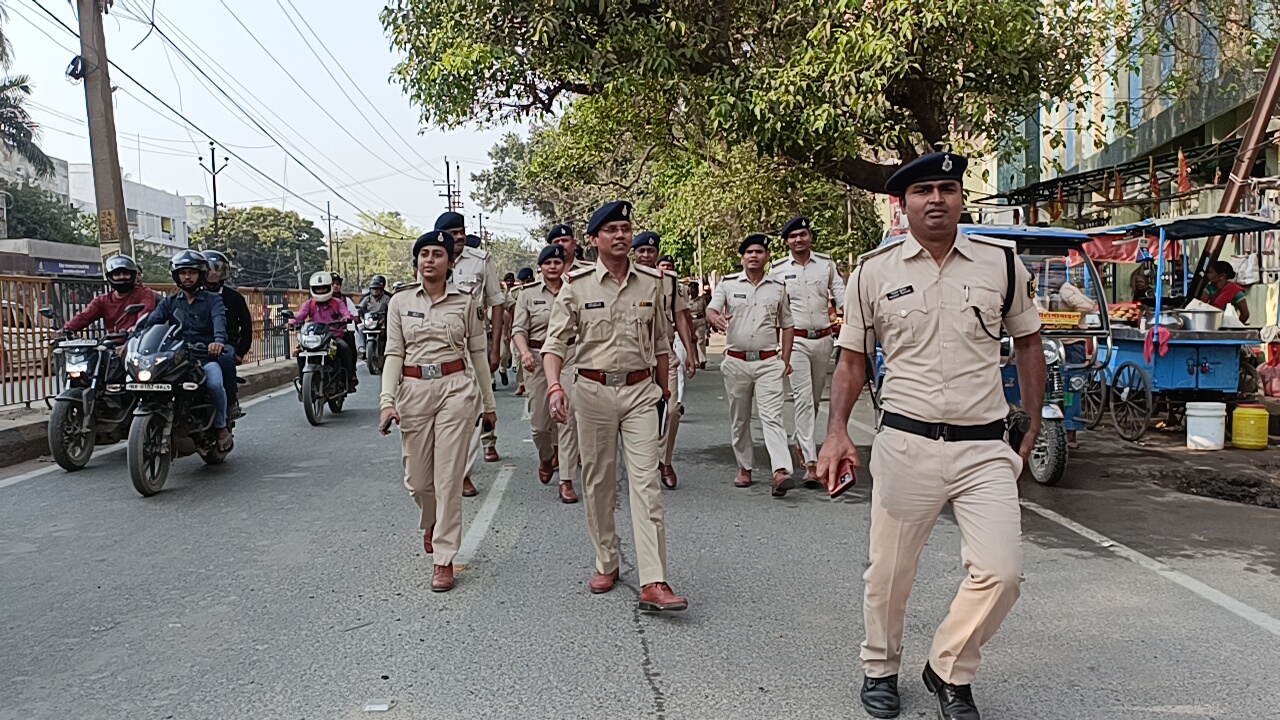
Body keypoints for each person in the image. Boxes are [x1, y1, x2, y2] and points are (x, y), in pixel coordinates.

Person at [817, 153, 1045, 720]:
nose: (937, 199)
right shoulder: (874, 272)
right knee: (890, 571)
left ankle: (948, 667)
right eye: (924, 190)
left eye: (948, 188)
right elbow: (852, 362)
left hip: (984, 445)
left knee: (1003, 572)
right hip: (906, 442)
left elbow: (1028, 344)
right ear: (904, 204)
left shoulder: (1003, 265)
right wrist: (836, 431)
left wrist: (1034, 418)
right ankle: (880, 667)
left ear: (961, 198)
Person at [542, 200, 688, 613]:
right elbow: (555, 344)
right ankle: (607, 558)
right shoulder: (577, 285)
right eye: (611, 230)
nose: (621, 235)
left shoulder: (651, 283)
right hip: (592, 392)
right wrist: (555, 386)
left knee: (647, 485)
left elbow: (661, 342)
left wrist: (664, 393)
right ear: (594, 240)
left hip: (642, 393)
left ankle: (654, 579)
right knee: (600, 483)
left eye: (626, 228)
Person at [378, 230, 488, 593]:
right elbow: (394, 353)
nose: (430, 260)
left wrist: (488, 403)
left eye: (437, 254)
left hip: (456, 389)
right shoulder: (400, 302)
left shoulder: (466, 302)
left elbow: (477, 355)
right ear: (416, 262)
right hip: (413, 391)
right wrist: (387, 401)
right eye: (424, 254)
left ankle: (444, 558)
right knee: (418, 480)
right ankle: (431, 520)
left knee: (447, 478)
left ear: (450, 262)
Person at [707, 233, 796, 497]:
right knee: (740, 418)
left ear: (767, 257)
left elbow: (788, 324)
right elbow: (712, 309)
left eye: (759, 252)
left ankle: (781, 470)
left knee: (772, 417)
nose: (754, 256)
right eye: (749, 252)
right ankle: (744, 467)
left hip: (769, 361)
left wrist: (786, 361)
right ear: (743, 257)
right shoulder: (728, 284)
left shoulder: (778, 288)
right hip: (736, 362)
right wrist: (716, 319)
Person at [769, 216, 847, 487]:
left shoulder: (825, 264)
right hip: (796, 341)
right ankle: (811, 463)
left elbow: (840, 292)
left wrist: (855, 315)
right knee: (802, 398)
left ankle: (800, 444)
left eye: (803, 234)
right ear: (787, 242)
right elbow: (771, 303)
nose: (799, 239)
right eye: (793, 236)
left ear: (810, 237)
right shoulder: (777, 270)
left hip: (823, 339)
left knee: (813, 399)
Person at [136, 250, 234, 451]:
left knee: (215, 383)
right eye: (182, 273)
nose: (187, 277)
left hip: (204, 357)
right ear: (176, 276)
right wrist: (133, 339)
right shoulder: (169, 302)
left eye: (191, 272)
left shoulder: (213, 300)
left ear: (201, 274)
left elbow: (219, 322)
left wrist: (217, 341)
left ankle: (221, 426)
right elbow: (151, 324)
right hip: (176, 358)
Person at [437, 212, 503, 488]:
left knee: (475, 409)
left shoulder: (481, 260)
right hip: (440, 347)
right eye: (454, 233)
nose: (461, 236)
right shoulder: (432, 259)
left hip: (473, 343)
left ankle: (463, 472)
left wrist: (495, 347)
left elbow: (496, 302)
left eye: (462, 231)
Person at [511, 244, 580, 504]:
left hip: (570, 355)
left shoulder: (574, 289)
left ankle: (566, 480)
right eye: (548, 263)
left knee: (567, 417)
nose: (553, 267)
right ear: (540, 266)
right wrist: (524, 352)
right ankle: (546, 456)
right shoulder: (527, 294)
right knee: (540, 425)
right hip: (537, 360)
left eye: (558, 263)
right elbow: (518, 329)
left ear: (564, 266)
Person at [632, 231, 697, 489]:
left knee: (671, 410)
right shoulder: (625, 278)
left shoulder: (668, 280)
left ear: (657, 253)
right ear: (634, 253)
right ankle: (642, 463)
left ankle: (665, 461)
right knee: (639, 412)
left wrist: (691, 353)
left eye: (651, 251)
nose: (646, 256)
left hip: (665, 352)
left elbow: (680, 316)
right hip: (634, 355)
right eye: (641, 251)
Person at [203, 251, 253, 420]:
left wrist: (240, 353)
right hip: (198, 344)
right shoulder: (191, 297)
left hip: (226, 344)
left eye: (218, 269)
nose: (214, 273)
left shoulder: (234, 298)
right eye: (210, 269)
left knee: (225, 359)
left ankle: (231, 402)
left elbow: (246, 328)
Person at [291, 271, 358, 391]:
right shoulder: (309, 304)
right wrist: (291, 323)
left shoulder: (337, 303)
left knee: (344, 349)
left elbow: (346, 313)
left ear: (329, 288)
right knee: (300, 353)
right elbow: (299, 316)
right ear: (313, 289)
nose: (321, 291)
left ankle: (347, 379)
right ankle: (302, 379)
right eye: (318, 288)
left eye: (324, 288)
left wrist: (345, 319)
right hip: (315, 337)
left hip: (333, 336)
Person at [62, 254, 159, 336]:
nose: (122, 277)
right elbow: (84, 316)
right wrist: (65, 330)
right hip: (112, 346)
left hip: (137, 343)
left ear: (132, 275)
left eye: (125, 273)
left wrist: (136, 327)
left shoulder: (144, 293)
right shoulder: (102, 300)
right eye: (117, 274)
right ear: (110, 277)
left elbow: (146, 313)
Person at [512, 267, 535, 396]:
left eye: (529, 280)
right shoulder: (516, 293)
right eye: (524, 281)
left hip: (536, 331)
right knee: (519, 356)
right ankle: (522, 383)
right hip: (519, 329)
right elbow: (508, 312)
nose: (527, 283)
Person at [357, 275, 392, 360]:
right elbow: (360, 308)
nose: (375, 291)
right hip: (369, 321)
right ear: (370, 290)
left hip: (382, 321)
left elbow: (392, 309)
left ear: (381, 289)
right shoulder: (367, 298)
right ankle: (362, 350)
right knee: (359, 328)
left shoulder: (387, 298)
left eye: (377, 289)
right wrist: (361, 317)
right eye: (373, 289)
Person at [498, 272, 518, 387]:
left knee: (503, 353)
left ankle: (502, 369)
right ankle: (492, 381)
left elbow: (511, 308)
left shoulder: (501, 293)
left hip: (501, 327)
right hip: (484, 329)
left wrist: (508, 330)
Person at [688, 281, 710, 369]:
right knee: (692, 342)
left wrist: (708, 324)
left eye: (694, 289)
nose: (692, 290)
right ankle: (695, 361)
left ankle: (702, 360)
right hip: (690, 322)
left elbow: (706, 311)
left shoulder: (702, 300)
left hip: (700, 321)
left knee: (700, 340)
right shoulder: (686, 300)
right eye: (691, 288)